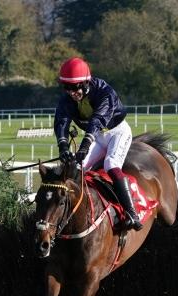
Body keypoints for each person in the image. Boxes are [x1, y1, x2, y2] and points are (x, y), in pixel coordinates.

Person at [54, 57, 142, 231]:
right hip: (98, 137)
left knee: (111, 164)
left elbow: (97, 121)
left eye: (75, 87)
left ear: (86, 83)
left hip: (117, 132)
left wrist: (85, 146)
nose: (71, 92)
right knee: (77, 167)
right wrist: (63, 147)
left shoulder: (104, 92)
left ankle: (132, 212)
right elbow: (61, 121)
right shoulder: (67, 99)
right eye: (67, 87)